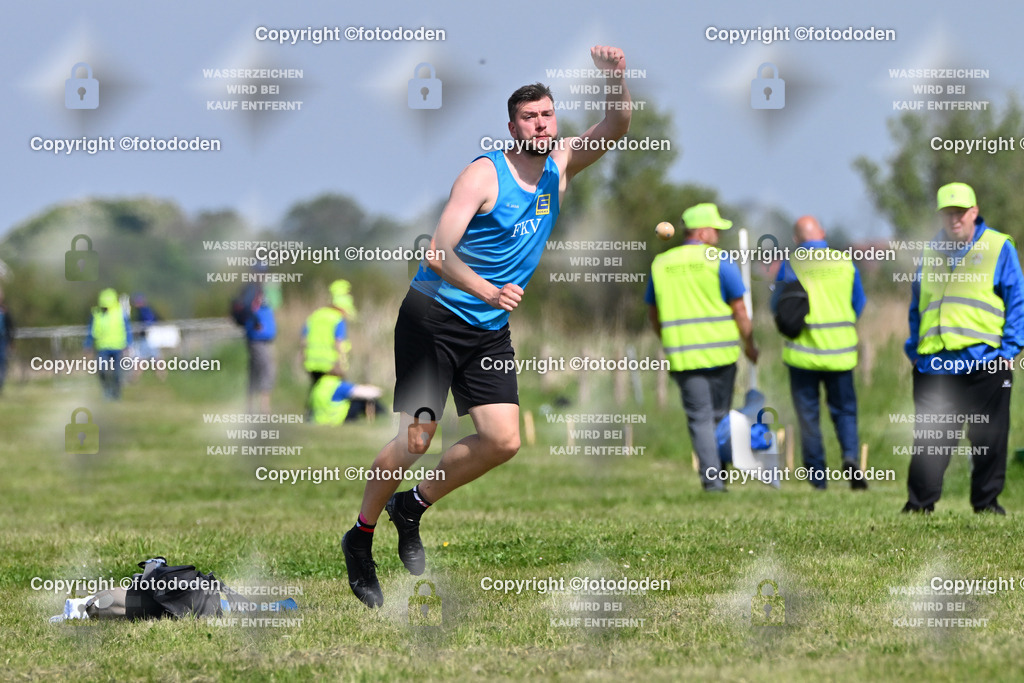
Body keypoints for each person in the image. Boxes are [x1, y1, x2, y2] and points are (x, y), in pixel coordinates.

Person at [342, 45, 633, 608]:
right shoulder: (483, 174)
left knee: (503, 440)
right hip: (434, 318)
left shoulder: (562, 164)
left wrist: (617, 78)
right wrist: (488, 290)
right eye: (529, 117)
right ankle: (361, 536)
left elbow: (617, 124)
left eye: (548, 115)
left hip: (488, 328)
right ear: (512, 125)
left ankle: (413, 506)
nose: (541, 124)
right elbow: (436, 252)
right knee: (416, 440)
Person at [902, 182, 1024, 514]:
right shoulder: (929, 252)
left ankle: (986, 504)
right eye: (947, 213)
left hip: (986, 362)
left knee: (988, 439)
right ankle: (919, 504)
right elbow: (917, 305)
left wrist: (1010, 350)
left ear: (974, 212)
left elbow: (1017, 300)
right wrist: (913, 348)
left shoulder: (999, 247)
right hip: (934, 363)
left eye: (960, 212)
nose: (954, 219)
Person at [646, 203, 759, 491]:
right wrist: (750, 344)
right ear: (703, 231)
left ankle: (713, 479)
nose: (718, 236)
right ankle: (716, 478)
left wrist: (668, 338)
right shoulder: (719, 259)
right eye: (716, 230)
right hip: (721, 354)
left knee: (701, 419)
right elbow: (740, 309)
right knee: (719, 416)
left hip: (684, 356)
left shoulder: (661, 264)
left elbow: (653, 313)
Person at [771, 216, 867, 490]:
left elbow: (779, 306)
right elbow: (858, 303)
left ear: (797, 238)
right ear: (822, 234)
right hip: (841, 353)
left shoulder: (792, 264)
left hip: (803, 355)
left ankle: (817, 478)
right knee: (845, 411)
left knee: (808, 417)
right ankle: (850, 457)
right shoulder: (845, 262)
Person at [301, 280, 355, 415]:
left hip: (313, 362)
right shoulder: (337, 318)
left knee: (314, 390)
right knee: (330, 392)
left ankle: (311, 414)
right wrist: (341, 363)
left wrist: (303, 357)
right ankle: (328, 415)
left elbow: (304, 340)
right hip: (330, 364)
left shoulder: (315, 315)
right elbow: (339, 342)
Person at [84, 288, 132, 400]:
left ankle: (116, 393)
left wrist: (128, 344)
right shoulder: (96, 313)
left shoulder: (120, 313)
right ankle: (107, 390)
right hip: (102, 347)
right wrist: (88, 345)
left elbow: (127, 329)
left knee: (117, 373)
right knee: (102, 370)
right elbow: (91, 330)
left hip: (118, 347)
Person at [245, 288, 276, 415]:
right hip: (258, 342)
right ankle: (264, 408)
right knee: (266, 370)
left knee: (256, 372)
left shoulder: (261, 295)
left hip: (263, 342)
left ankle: (251, 407)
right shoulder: (251, 297)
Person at [309, 373, 383, 425]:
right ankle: (384, 416)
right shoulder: (337, 384)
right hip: (338, 420)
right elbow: (368, 393)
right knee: (361, 401)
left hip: (319, 420)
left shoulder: (318, 385)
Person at [0, 287, 14, 393]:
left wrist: (11, 342)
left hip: (2, 341)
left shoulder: (5, 311)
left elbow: (11, 328)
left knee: (2, 364)